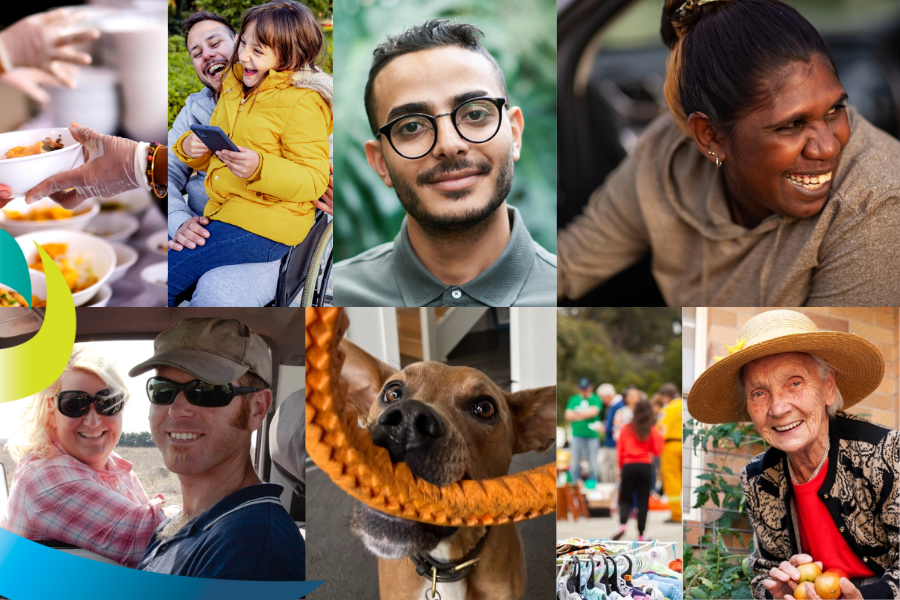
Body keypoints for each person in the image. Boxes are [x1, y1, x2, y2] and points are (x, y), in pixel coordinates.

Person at [557, 0, 900, 307]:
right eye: (791, 125)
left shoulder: (876, 206)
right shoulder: (665, 157)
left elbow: (816, 342)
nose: (828, 146)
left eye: (834, 109)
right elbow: (568, 265)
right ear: (709, 137)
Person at [333, 19, 556, 307]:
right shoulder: (332, 296)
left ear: (514, 134)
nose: (449, 145)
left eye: (475, 114)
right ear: (380, 163)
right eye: (412, 127)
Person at [688, 309, 898, 600]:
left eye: (795, 383)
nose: (777, 408)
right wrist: (776, 590)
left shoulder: (885, 453)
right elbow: (764, 570)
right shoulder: (759, 479)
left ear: (827, 387)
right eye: (759, 393)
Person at [168, 0, 332, 307]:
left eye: (216, 43)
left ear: (289, 56)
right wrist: (189, 149)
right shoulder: (233, 92)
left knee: (168, 274)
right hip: (223, 214)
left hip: (263, 225)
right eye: (196, 52)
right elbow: (166, 170)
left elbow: (314, 176)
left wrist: (260, 167)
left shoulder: (304, 101)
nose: (244, 55)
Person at [129, 317, 305, 580]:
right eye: (163, 390)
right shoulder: (182, 523)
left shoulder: (252, 546)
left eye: (206, 389)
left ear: (257, 408)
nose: (177, 410)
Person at [0, 346, 166, 568]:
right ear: (52, 408)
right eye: (75, 403)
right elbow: (152, 540)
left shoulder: (113, 464)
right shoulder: (45, 478)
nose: (94, 421)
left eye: (108, 402)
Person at [613, 399, 662, 542]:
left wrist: (620, 468)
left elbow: (620, 450)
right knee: (643, 500)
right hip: (645, 466)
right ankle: (641, 534)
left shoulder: (626, 428)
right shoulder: (651, 429)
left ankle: (622, 524)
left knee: (625, 497)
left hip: (628, 465)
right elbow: (657, 450)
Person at [564, 378, 602, 483]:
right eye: (582, 389)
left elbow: (594, 412)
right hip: (577, 434)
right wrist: (586, 414)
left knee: (592, 461)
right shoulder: (573, 399)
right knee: (575, 460)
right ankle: (574, 481)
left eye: (586, 388)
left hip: (592, 435)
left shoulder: (595, 399)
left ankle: (593, 480)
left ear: (591, 387)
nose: (584, 391)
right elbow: (567, 416)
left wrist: (576, 414)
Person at [656, 382, 682, 523]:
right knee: (684, 479)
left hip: (671, 446)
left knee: (672, 479)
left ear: (666, 397)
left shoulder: (667, 409)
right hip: (685, 444)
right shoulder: (686, 404)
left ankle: (677, 514)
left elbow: (661, 430)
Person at [595, 383, 618, 483]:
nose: (602, 401)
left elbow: (618, 427)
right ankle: (607, 488)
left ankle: (614, 490)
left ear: (608, 395)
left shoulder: (618, 405)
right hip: (608, 442)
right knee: (604, 466)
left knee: (615, 468)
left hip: (615, 444)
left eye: (602, 398)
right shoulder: (611, 406)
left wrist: (604, 428)